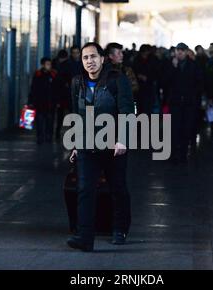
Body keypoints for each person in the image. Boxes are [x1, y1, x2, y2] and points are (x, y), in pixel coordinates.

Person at [67, 42, 134, 252]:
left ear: (103, 58)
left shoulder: (117, 80)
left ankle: (119, 229)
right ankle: (85, 237)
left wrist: (122, 139)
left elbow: (126, 111)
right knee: (85, 190)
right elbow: (75, 114)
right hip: (87, 144)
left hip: (114, 145)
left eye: (93, 57)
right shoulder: (77, 82)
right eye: (85, 58)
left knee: (118, 189)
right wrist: (76, 144)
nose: (90, 61)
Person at [165, 42, 204, 163]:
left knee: (186, 128)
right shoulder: (170, 64)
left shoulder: (194, 65)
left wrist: (193, 95)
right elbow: (165, 81)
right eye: (178, 50)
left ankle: (183, 154)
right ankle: (173, 154)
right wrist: (173, 68)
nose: (179, 52)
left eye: (182, 50)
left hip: (188, 103)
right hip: (175, 102)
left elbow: (200, 82)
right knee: (174, 129)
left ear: (186, 52)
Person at [28, 57, 57, 143]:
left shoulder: (53, 75)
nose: (49, 66)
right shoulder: (38, 75)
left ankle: (49, 136)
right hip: (39, 102)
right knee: (40, 121)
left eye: (50, 64)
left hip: (50, 103)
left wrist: (57, 101)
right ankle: (40, 137)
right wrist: (31, 101)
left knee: (50, 121)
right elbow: (33, 88)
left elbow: (57, 89)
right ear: (43, 65)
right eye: (47, 64)